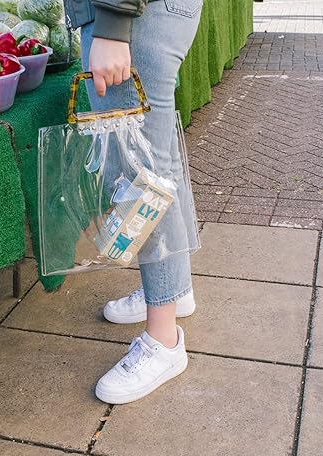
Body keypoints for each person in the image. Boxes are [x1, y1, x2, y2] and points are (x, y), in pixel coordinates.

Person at [63, 0, 202, 404]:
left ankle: (164, 340)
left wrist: (112, 24)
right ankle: (173, 290)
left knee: (143, 178)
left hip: (133, 14)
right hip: (151, 11)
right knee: (158, 167)